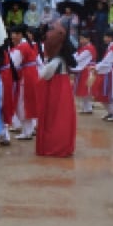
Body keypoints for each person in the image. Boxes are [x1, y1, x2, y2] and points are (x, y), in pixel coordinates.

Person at [35, 26, 76, 158]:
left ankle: (54, 146)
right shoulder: (61, 60)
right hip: (63, 92)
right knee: (62, 119)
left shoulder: (55, 61)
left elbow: (44, 75)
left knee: (53, 119)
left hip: (55, 92)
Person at [71, 32, 98, 114]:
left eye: (83, 38)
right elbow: (75, 56)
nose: (81, 40)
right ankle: (86, 108)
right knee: (85, 89)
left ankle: (88, 108)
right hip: (84, 69)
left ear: (88, 39)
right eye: (80, 39)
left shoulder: (89, 49)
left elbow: (78, 58)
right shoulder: (84, 48)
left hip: (88, 70)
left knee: (87, 89)